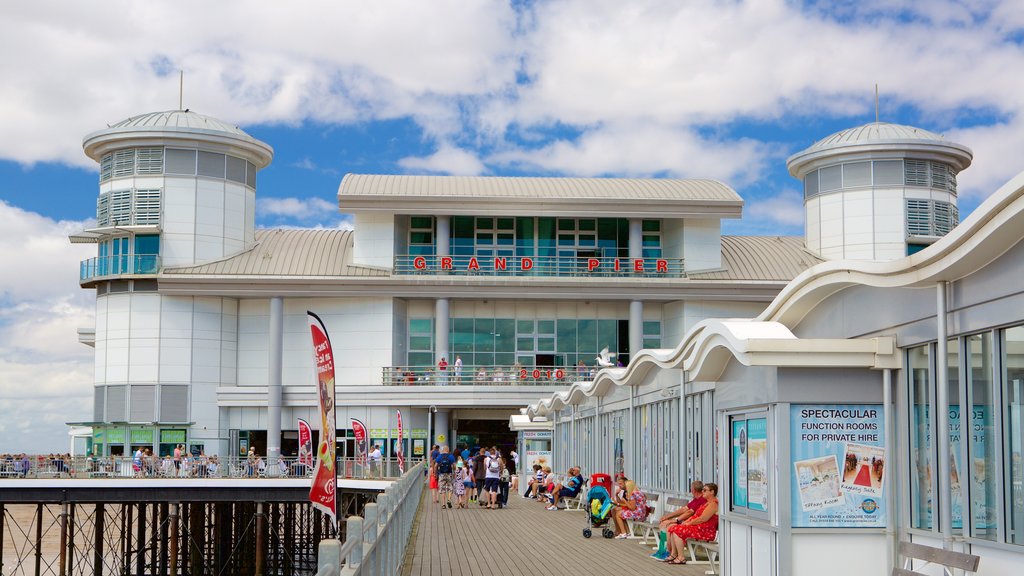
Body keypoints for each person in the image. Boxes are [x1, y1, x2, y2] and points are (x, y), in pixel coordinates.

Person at [664, 483, 719, 565]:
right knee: (674, 528)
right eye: (702, 490)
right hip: (698, 528)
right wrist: (685, 522)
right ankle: (674, 554)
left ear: (712, 492)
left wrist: (688, 523)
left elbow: (703, 519)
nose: (702, 491)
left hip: (705, 531)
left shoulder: (713, 504)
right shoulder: (706, 503)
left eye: (705, 490)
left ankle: (681, 557)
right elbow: (695, 515)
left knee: (676, 530)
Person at [651, 480, 706, 560]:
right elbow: (684, 509)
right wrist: (668, 516)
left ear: (693, 490)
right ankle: (667, 551)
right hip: (689, 522)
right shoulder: (696, 499)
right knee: (666, 524)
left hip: (693, 524)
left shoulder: (702, 500)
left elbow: (689, 512)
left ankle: (669, 552)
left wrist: (674, 520)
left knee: (670, 526)